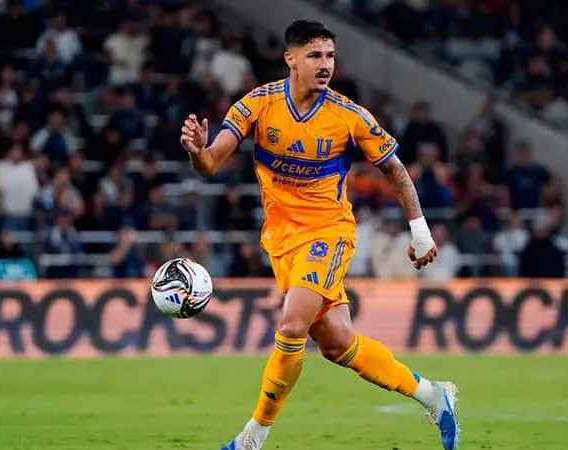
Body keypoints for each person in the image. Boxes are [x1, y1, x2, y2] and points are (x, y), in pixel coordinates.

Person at [180, 20, 459, 450]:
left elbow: (396, 171)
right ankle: (433, 395)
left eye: (330, 55)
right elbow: (211, 163)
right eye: (314, 55)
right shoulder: (258, 104)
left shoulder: (349, 116)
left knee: (292, 326)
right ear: (290, 59)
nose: (325, 64)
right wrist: (198, 152)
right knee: (336, 343)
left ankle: (253, 437)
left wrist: (419, 230)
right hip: (281, 241)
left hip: (328, 234)